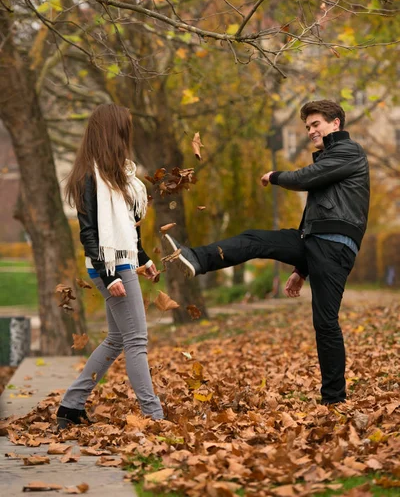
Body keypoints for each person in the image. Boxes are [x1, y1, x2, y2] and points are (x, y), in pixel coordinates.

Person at [162, 100, 369, 406]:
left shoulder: (348, 152)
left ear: (336, 123)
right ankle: (196, 258)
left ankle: (334, 400)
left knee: (325, 322)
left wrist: (275, 176)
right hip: (313, 240)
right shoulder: (330, 157)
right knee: (255, 239)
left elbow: (305, 178)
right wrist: (301, 269)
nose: (310, 131)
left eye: (316, 124)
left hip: (335, 245)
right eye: (308, 126)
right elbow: (313, 212)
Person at [56, 104, 163, 428]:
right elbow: (88, 233)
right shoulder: (90, 177)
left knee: (117, 339)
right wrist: (110, 274)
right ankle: (154, 415)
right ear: (111, 133)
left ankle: (71, 406)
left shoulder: (121, 177)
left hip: (123, 264)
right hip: (110, 267)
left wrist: (142, 259)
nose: (129, 135)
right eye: (125, 128)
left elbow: (130, 228)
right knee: (137, 340)